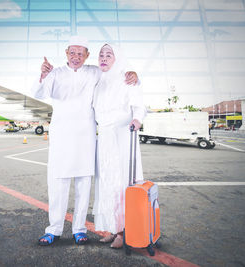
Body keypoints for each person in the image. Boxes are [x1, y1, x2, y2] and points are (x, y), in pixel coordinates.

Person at [32, 36, 138, 246]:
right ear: (66, 53)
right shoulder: (55, 73)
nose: (76, 57)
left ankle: (79, 229)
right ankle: (53, 229)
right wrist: (43, 74)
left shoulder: (94, 72)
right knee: (58, 184)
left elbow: (116, 73)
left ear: (87, 55)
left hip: (86, 137)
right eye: (72, 52)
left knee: (83, 184)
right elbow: (39, 93)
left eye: (81, 53)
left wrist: (134, 74)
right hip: (62, 137)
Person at [92, 44, 146, 248]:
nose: (104, 58)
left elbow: (138, 105)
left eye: (109, 55)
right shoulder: (99, 81)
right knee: (106, 182)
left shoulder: (127, 78)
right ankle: (111, 228)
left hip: (123, 135)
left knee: (122, 181)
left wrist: (137, 119)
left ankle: (124, 231)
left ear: (117, 58)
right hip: (104, 136)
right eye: (101, 55)